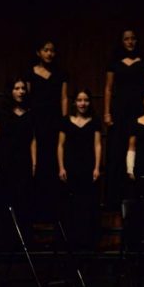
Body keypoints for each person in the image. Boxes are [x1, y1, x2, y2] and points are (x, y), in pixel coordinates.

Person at [103, 29, 144, 208]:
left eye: (133, 39)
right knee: (117, 152)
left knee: (137, 152)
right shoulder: (114, 63)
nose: (130, 42)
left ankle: (137, 195)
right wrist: (107, 112)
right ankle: (114, 198)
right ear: (122, 42)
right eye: (126, 39)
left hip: (138, 112)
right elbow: (108, 88)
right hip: (119, 112)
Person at [0, 77, 36, 248]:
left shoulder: (30, 112)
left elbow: (32, 139)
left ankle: (21, 243)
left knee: (22, 201)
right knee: (2, 201)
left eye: (23, 88)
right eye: (17, 88)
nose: (21, 91)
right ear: (10, 90)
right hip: (4, 161)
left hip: (22, 163)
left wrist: (34, 163)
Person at [26, 39, 68, 221]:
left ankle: (52, 209)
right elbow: (26, 97)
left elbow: (64, 98)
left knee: (52, 161)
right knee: (37, 161)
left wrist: (65, 121)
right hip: (36, 120)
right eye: (46, 50)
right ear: (39, 52)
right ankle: (35, 208)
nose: (50, 53)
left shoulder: (60, 74)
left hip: (54, 121)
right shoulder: (30, 72)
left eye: (52, 50)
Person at [57, 90, 102, 249]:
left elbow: (97, 145)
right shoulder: (65, 121)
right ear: (74, 102)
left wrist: (97, 167)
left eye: (86, 100)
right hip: (70, 167)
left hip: (88, 167)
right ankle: (69, 240)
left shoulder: (95, 121)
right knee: (70, 204)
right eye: (79, 100)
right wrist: (61, 167)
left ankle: (87, 241)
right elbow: (60, 145)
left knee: (87, 203)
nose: (83, 103)